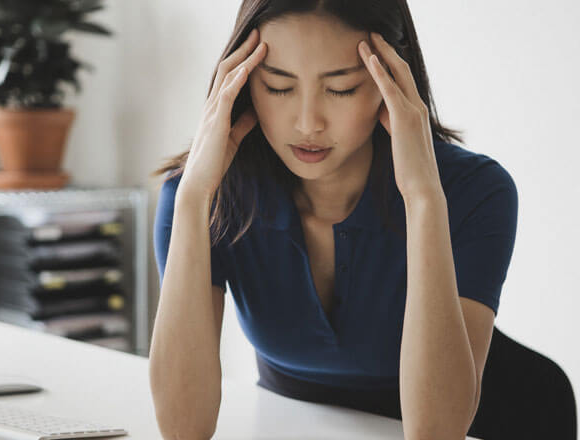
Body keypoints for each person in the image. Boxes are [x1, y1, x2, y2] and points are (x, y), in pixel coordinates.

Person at [148, 1, 518, 439]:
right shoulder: (202, 198)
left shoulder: (475, 190)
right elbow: (183, 430)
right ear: (242, 84)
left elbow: (436, 433)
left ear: (393, 79)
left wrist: (422, 200)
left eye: (341, 88)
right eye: (279, 87)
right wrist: (193, 198)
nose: (308, 123)